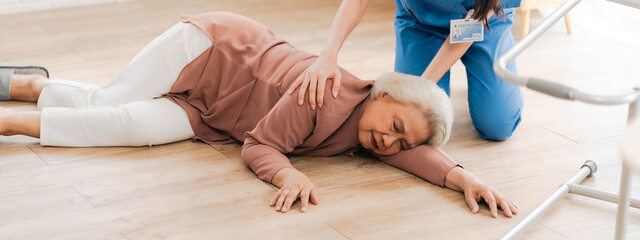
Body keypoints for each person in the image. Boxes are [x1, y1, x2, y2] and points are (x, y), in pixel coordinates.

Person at [0, 12, 517, 217]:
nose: (390, 143)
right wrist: (288, 171)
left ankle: (26, 103)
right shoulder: (327, 97)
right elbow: (261, 146)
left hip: (213, 113)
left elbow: (415, 151)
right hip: (210, 50)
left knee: (132, 128)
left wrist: (460, 178)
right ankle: (23, 89)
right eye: (395, 127)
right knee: (110, 102)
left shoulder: (371, 130)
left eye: (401, 142)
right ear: (379, 93)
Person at [290, 0, 523, 141]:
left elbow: (468, 30)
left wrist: (421, 87)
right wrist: (328, 54)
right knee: (419, 126)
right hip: (421, 23)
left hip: (484, 23)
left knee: (497, 127)